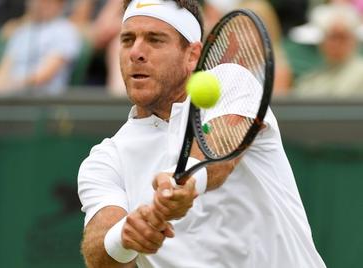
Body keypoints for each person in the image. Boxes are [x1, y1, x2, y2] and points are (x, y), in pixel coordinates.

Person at [78, 0, 326, 267]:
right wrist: (125, 237)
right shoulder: (105, 160)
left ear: (193, 55)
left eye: (155, 39)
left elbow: (221, 152)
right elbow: (99, 252)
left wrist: (188, 184)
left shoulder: (231, 82)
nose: (136, 52)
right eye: (127, 40)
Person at [0, 0, 81, 96]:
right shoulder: (21, 31)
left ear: (60, 4)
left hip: (42, 102)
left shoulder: (65, 30)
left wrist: (6, 87)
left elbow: (42, 77)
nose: (40, 4)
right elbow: (2, 70)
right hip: (8, 99)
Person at [293, 3, 363, 98]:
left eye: (342, 37)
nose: (336, 43)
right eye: (332, 37)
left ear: (354, 40)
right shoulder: (311, 79)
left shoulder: (360, 74)